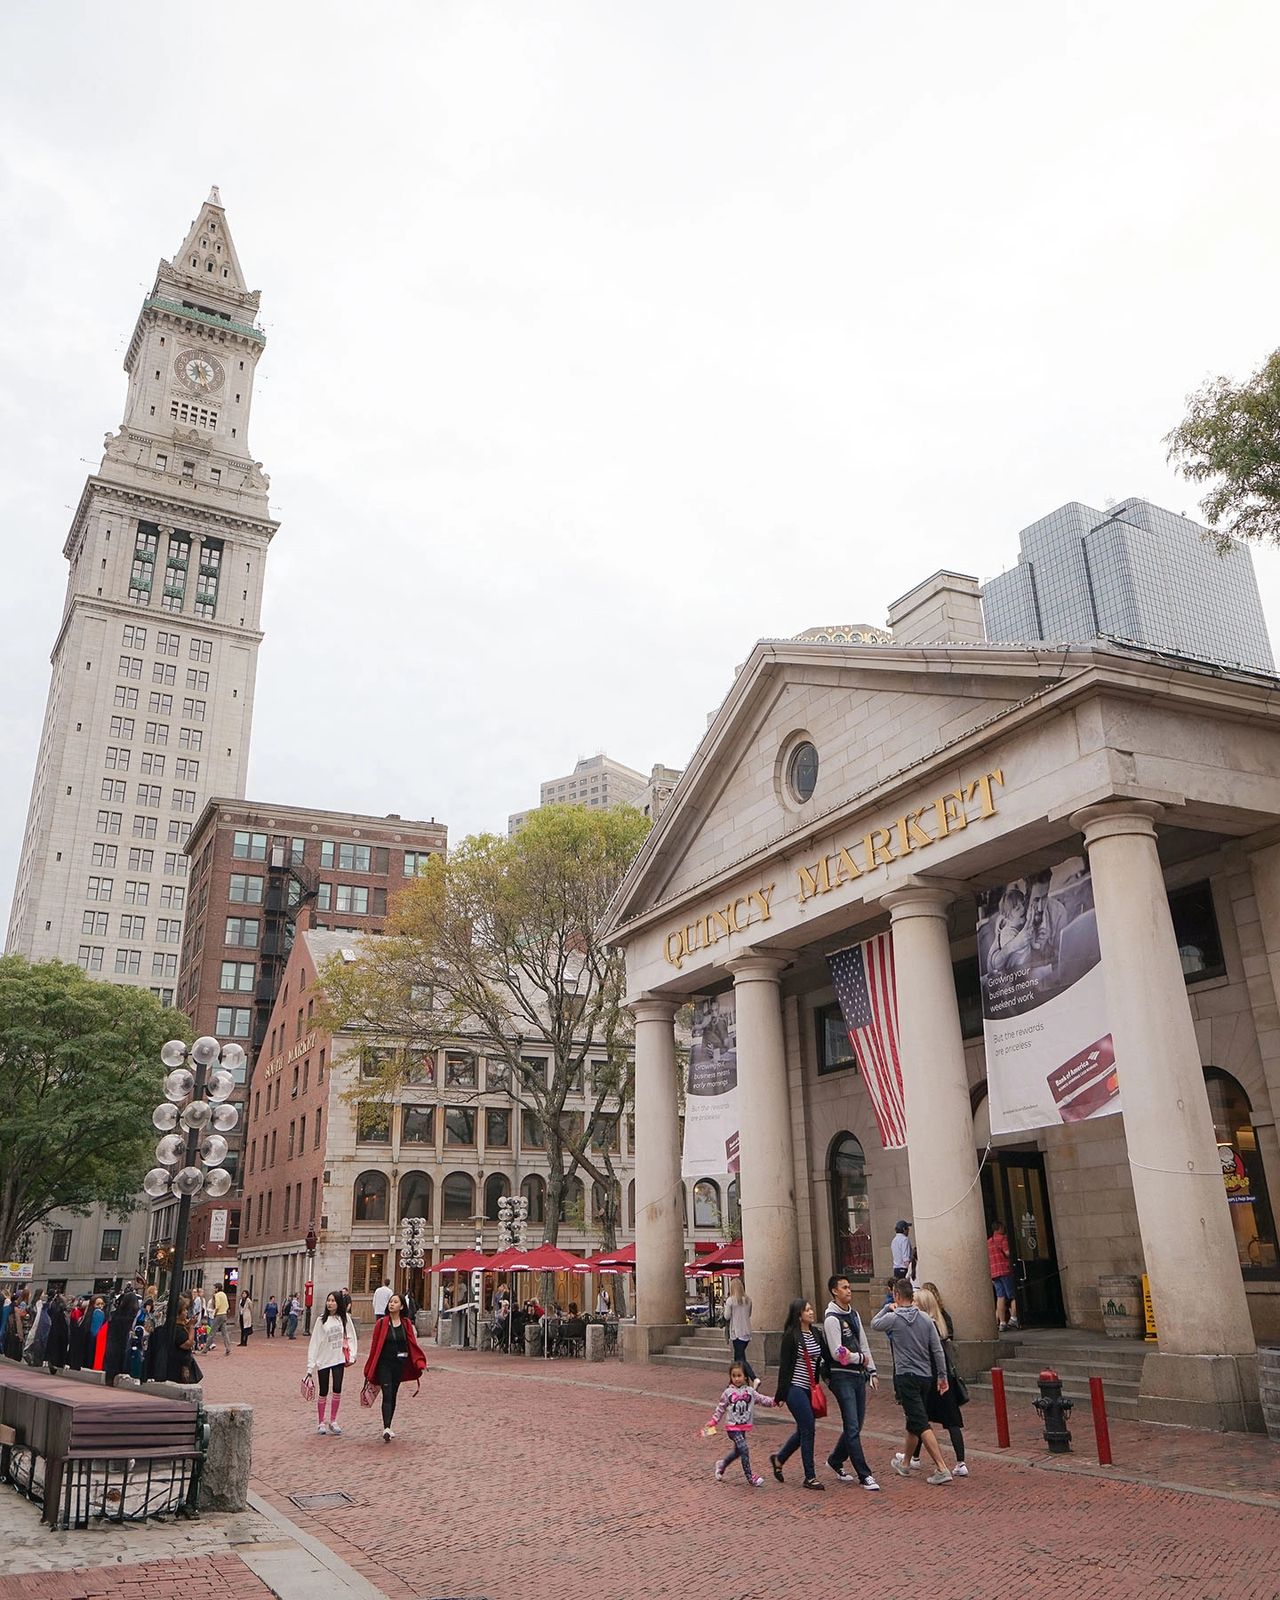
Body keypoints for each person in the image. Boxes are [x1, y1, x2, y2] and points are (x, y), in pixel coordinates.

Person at [871, 1278, 953, 1485]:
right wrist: (942, 1376)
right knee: (914, 1420)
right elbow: (937, 1350)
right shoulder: (926, 1319)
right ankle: (905, 1463)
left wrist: (888, 1308)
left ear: (897, 1296)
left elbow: (874, 1324)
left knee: (920, 1422)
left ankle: (942, 1467)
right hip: (926, 1376)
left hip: (906, 1376)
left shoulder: (894, 1318)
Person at [822, 1273, 880, 1490]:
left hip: (858, 1375)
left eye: (849, 1287)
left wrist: (871, 1370)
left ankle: (836, 1460)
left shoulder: (854, 1315)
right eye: (844, 1287)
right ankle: (864, 1474)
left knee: (856, 1425)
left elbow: (862, 1343)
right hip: (841, 1376)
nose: (849, 1290)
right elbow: (838, 1353)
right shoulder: (831, 1319)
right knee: (852, 1425)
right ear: (835, 1291)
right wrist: (859, 1358)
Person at [904, 1286, 969, 1477]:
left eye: (916, 1301)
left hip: (931, 1377)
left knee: (920, 1418)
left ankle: (917, 1459)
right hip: (943, 1377)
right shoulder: (940, 1322)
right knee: (948, 1421)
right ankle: (959, 1461)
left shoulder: (924, 1324)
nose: (912, 1304)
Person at [769, 1298, 828, 1491]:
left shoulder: (816, 1333)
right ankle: (809, 1477)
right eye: (807, 1310)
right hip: (794, 1388)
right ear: (799, 1314)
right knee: (808, 1428)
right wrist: (780, 1395)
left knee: (803, 1429)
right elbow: (785, 1367)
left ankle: (779, 1459)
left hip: (810, 1388)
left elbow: (824, 1358)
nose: (811, 1312)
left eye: (811, 1309)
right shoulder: (791, 1336)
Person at [362, 1292, 425, 1442]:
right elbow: (374, 1347)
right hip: (384, 1363)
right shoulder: (381, 1323)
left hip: (400, 1364)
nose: (392, 1304)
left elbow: (412, 1344)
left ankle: (389, 1426)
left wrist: (419, 1362)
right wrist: (369, 1367)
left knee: (393, 1394)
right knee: (387, 1393)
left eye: (395, 1302)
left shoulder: (406, 1324)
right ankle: (386, 1427)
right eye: (390, 1302)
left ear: (402, 1306)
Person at [707, 1360, 777, 1485]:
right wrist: (713, 1421)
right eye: (733, 1376)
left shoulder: (750, 1391)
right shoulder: (727, 1393)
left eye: (739, 1375)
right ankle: (750, 1477)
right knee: (744, 1448)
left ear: (745, 1376)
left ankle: (722, 1464)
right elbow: (721, 1408)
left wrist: (774, 1401)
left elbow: (762, 1399)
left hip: (743, 1427)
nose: (736, 1379)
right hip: (732, 1428)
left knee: (738, 1451)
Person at [307, 1290, 359, 1436]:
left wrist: (353, 1355)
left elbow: (351, 1337)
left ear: (338, 1303)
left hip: (338, 1358)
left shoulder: (344, 1319)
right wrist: (310, 1366)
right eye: (328, 1300)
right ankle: (321, 1421)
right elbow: (315, 1342)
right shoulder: (321, 1320)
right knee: (323, 1390)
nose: (330, 1303)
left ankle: (333, 1420)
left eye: (333, 1301)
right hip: (323, 1360)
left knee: (337, 1388)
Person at [104, 1288, 139, 1386]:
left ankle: (109, 1380)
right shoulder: (131, 1317)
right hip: (123, 1346)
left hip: (112, 1346)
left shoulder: (115, 1315)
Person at [989, 1220, 1019, 1332]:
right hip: (1005, 1270)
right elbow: (1007, 1253)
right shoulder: (1003, 1239)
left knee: (1000, 1296)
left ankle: (1002, 1322)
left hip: (994, 1272)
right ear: (1000, 1228)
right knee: (1013, 1295)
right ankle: (1013, 1318)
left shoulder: (989, 1242)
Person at [44, 1293, 70, 1375]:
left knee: (54, 1349)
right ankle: (55, 1364)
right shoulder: (61, 1312)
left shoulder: (54, 1308)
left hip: (54, 1333)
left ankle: (53, 1364)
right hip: (59, 1334)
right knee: (57, 1349)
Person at [211, 1283, 231, 1355]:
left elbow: (217, 1305)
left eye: (214, 1288)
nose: (213, 1289)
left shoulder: (217, 1295)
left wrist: (215, 1313)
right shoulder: (224, 1294)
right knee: (224, 1333)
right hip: (224, 1314)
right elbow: (227, 1305)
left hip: (219, 1314)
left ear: (217, 1288)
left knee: (212, 1332)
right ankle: (228, 1348)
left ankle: (205, 1348)